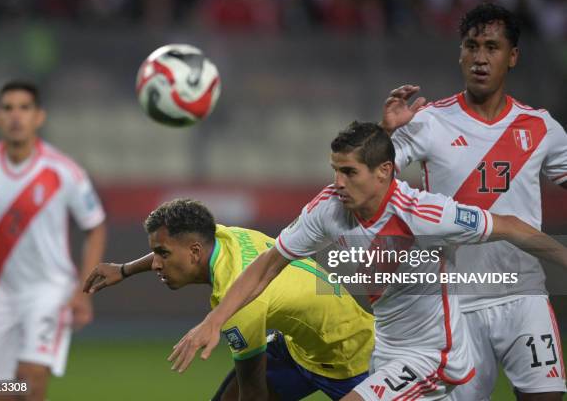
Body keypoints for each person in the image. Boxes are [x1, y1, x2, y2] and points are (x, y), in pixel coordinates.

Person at [167, 122, 567, 400]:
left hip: (433, 357)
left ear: (384, 173)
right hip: (386, 352)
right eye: (335, 170)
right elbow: (270, 264)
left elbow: (512, 225)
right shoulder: (328, 209)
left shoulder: (426, 215)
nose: (338, 182)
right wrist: (214, 321)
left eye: (349, 172)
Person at [380, 3, 567, 400]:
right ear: (460, 52)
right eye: (472, 45)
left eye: (492, 47)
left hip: (524, 295)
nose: (480, 58)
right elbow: (370, 180)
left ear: (512, 56)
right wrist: (384, 134)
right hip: (454, 305)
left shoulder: (541, 128)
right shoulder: (428, 121)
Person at [83, 198, 375, 401]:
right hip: (301, 348)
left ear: (195, 252)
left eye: (163, 255)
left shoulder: (236, 301)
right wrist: (125, 269)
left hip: (352, 357)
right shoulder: (224, 236)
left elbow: (254, 392)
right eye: (156, 253)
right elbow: (177, 244)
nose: (157, 264)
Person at [0, 80, 106, 401]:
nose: (16, 116)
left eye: (24, 108)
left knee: (30, 379)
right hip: (2, 296)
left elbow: (95, 226)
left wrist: (84, 289)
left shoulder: (64, 171)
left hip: (50, 290)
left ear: (39, 116)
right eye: (8, 108)